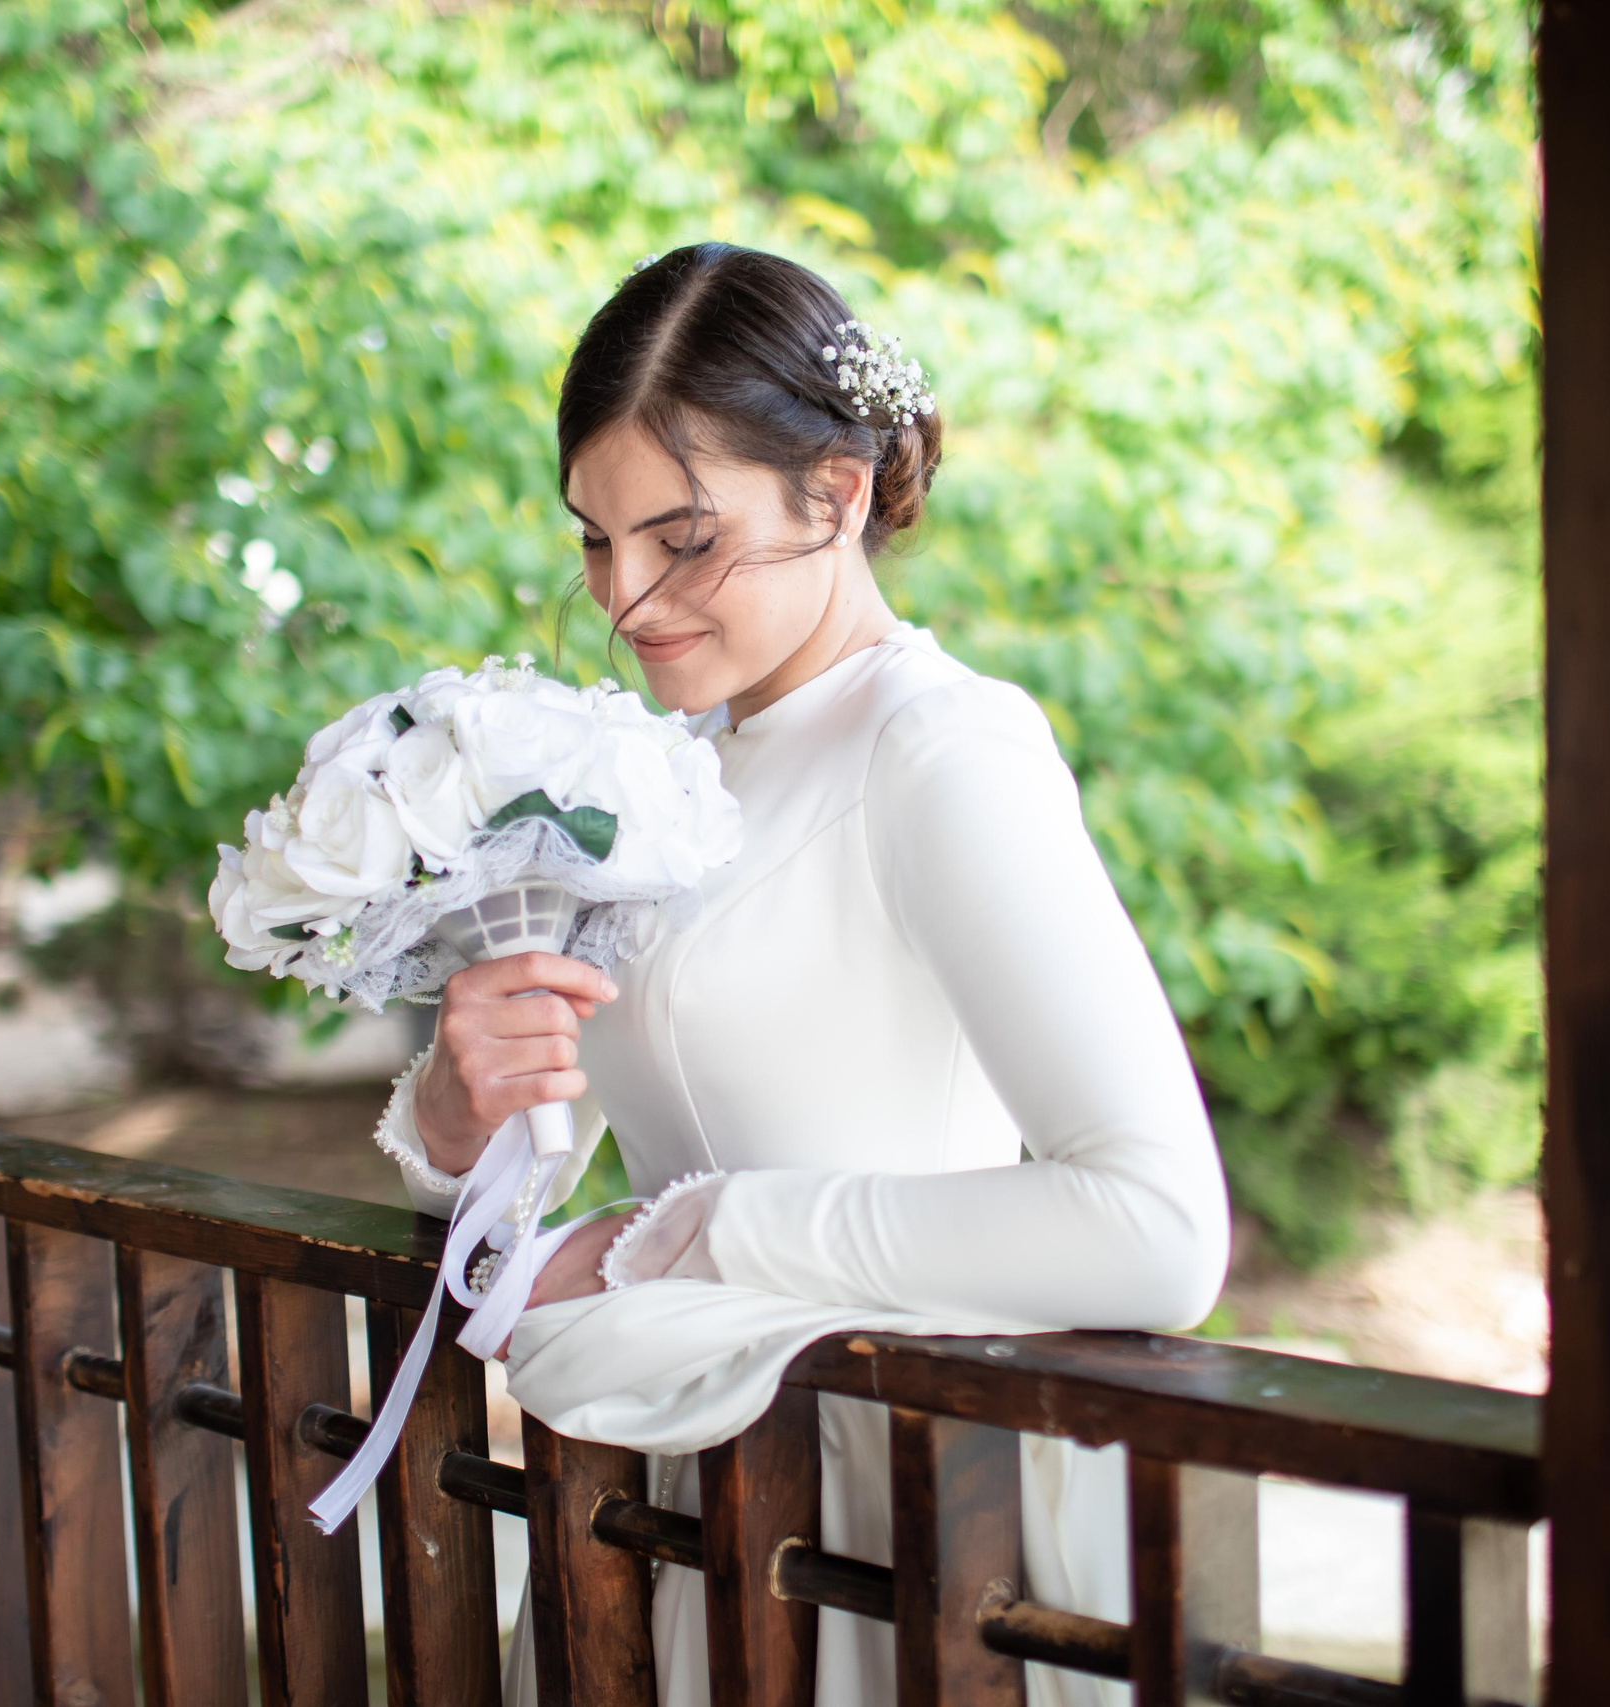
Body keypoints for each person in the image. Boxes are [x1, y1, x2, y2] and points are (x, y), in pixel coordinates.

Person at [370, 242, 1231, 1707]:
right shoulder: (659, 769)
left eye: (681, 537)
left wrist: (713, 1234)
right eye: (595, 538)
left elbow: (1159, 1230)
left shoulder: (941, 749)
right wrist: (460, 1112)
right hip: (663, 1514)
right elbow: (544, 1182)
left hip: (881, 1524)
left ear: (836, 493)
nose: (627, 596)